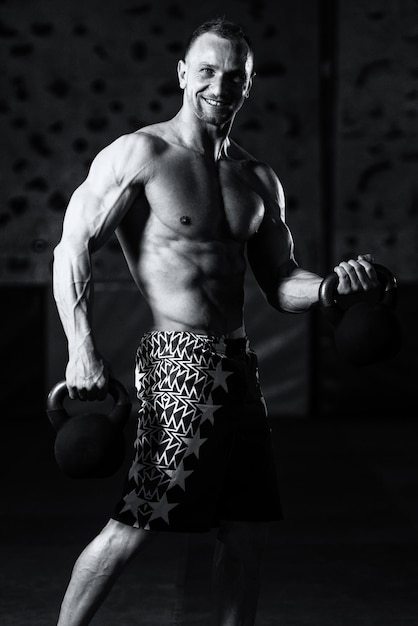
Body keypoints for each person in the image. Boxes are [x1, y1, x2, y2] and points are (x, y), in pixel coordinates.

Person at [52, 18, 378, 626]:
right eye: (205, 71)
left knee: (246, 534)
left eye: (234, 76)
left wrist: (335, 287)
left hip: (239, 369)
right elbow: (71, 247)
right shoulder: (141, 154)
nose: (218, 86)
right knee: (136, 525)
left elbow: (283, 285)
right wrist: (81, 348)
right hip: (178, 368)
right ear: (182, 74)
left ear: (248, 86)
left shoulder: (258, 179)